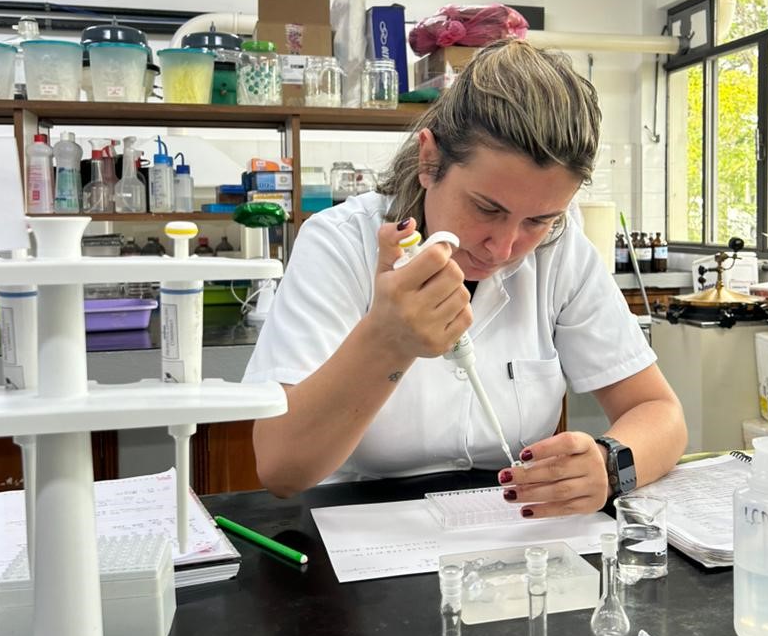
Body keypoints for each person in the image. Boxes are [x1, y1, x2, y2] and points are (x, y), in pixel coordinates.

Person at [244, 39, 687, 517]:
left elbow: (661, 414)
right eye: (486, 208)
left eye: (538, 220)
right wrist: (387, 341)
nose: (505, 247)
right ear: (430, 161)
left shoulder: (561, 252)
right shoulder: (339, 243)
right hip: (363, 538)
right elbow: (281, 469)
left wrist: (607, 462)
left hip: (513, 539)